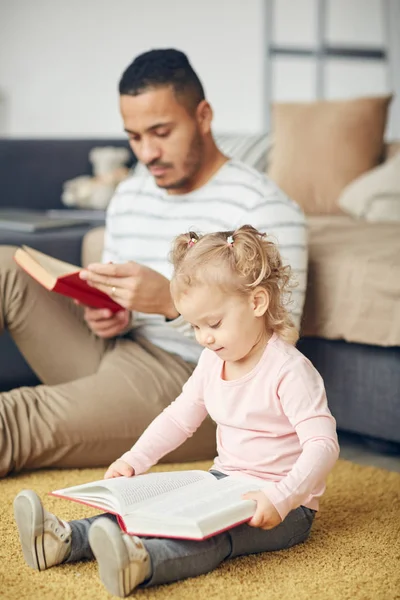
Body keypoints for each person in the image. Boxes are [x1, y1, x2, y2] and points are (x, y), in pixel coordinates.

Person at [0, 48, 307, 477]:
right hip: (116, 350)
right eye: (134, 137)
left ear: (203, 116)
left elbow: (282, 336)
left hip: (191, 380)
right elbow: (117, 304)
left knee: (17, 416)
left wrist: (170, 302)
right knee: (4, 267)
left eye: (161, 132)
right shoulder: (130, 194)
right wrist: (111, 313)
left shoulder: (266, 208)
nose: (146, 153)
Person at [14, 225, 339, 597]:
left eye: (213, 324)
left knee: (211, 534)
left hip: (285, 507)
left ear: (257, 303)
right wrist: (134, 460)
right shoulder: (211, 360)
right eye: (195, 325)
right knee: (156, 506)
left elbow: (323, 445)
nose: (204, 337)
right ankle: (67, 539)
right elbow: (177, 417)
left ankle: (142, 561)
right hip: (223, 482)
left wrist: (282, 497)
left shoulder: (290, 371)